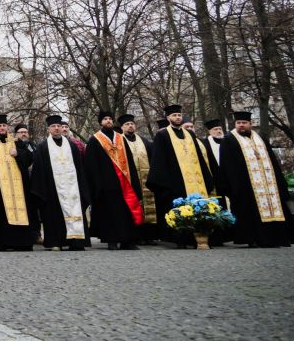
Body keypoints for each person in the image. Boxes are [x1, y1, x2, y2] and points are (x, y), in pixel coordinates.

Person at [218, 111, 294, 247]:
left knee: (275, 208)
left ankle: (277, 238)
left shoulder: (260, 139)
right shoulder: (229, 140)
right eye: (238, 123)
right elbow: (227, 166)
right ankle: (254, 239)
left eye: (244, 123)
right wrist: (232, 186)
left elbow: (273, 162)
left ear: (250, 124)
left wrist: (280, 182)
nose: (241, 126)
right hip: (246, 186)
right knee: (250, 213)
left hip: (268, 185)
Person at [147, 104, 215, 247]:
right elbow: (158, 160)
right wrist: (163, 182)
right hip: (175, 181)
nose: (177, 117)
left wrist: (206, 177)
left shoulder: (189, 134)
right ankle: (181, 240)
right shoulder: (162, 135)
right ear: (168, 118)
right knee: (179, 209)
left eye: (179, 115)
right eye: (174, 115)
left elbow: (199, 157)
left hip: (195, 180)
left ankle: (198, 238)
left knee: (197, 206)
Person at [30, 115, 90, 251]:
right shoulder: (43, 147)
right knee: (53, 215)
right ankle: (55, 242)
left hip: (72, 188)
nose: (56, 128)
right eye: (53, 126)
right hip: (52, 190)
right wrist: (41, 191)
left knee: (74, 211)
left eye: (58, 126)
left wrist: (82, 187)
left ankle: (76, 242)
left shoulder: (72, 146)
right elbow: (38, 171)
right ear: (48, 129)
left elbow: (80, 168)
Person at [85, 111, 142, 250]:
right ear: (100, 122)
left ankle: (128, 240)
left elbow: (130, 160)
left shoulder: (121, 138)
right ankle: (112, 240)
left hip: (124, 182)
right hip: (106, 184)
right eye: (105, 119)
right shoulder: (95, 140)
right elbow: (91, 165)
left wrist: (134, 181)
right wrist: (97, 184)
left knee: (126, 212)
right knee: (110, 213)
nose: (108, 121)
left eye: (110, 118)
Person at [0, 114, 35, 251]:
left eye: (4, 125)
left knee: (20, 213)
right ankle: (2, 243)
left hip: (17, 188)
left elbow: (30, 158)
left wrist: (18, 154)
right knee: (0, 216)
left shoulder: (15, 141)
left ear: (7, 127)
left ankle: (22, 243)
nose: (2, 128)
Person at [118, 114, 158, 243]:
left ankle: (150, 236)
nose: (130, 126)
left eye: (132, 124)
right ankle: (136, 235)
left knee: (148, 207)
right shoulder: (119, 141)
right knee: (134, 206)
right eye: (127, 124)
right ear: (122, 127)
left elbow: (152, 159)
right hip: (130, 181)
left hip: (146, 181)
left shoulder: (144, 141)